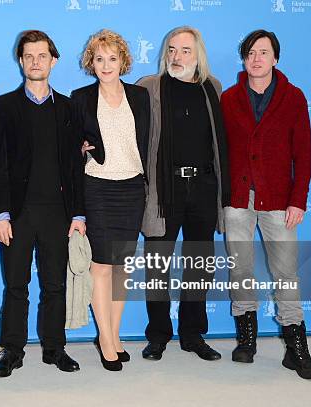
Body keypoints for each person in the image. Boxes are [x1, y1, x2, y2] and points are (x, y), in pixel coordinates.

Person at [221, 29, 311, 379]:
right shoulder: (229, 98)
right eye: (250, 52)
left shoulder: (293, 98)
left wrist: (298, 200)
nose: (256, 58)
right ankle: (246, 339)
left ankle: (296, 348)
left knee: (286, 274)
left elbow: (304, 154)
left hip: (279, 201)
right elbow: (219, 151)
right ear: (244, 58)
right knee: (241, 269)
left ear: (275, 58)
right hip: (237, 200)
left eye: (263, 52)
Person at [0, 30, 85, 378]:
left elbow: (76, 166)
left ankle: (54, 348)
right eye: (28, 56)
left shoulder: (69, 108)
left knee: (54, 285)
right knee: (16, 285)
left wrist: (78, 213)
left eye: (41, 56)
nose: (35, 62)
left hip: (58, 214)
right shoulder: (2, 106)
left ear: (53, 60)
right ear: (20, 61)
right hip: (17, 215)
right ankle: (12, 351)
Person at [137, 26, 230, 363]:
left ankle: (193, 335)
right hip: (165, 191)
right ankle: (158, 335)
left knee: (199, 266)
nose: (177, 56)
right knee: (157, 266)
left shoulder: (213, 88)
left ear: (198, 54)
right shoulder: (149, 87)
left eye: (185, 50)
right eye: (172, 49)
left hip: (203, 189)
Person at [72, 29, 149, 371]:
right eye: (99, 59)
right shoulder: (81, 98)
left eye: (112, 58)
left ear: (123, 62)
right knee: (101, 266)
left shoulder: (141, 96)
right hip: (98, 188)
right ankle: (105, 339)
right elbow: (69, 150)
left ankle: (114, 334)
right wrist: (79, 151)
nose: (106, 65)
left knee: (121, 268)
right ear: (92, 63)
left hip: (132, 189)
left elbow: (149, 141)